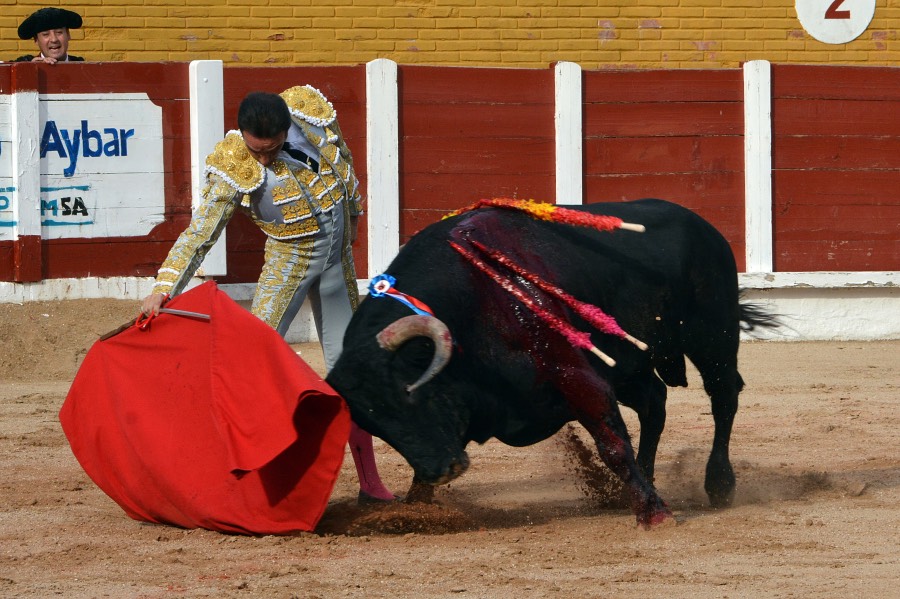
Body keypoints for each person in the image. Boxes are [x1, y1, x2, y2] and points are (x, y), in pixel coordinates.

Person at [141, 87, 397, 504]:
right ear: (242, 133)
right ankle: (233, 477)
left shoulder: (311, 118)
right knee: (248, 367)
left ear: (286, 131)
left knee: (354, 374)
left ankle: (370, 482)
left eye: (272, 149)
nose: (263, 159)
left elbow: (345, 164)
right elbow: (201, 233)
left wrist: (353, 219)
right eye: (256, 150)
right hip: (288, 266)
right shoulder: (231, 165)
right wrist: (164, 286)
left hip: (337, 265)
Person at [14, 7, 84, 64]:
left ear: (68, 34)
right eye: (45, 34)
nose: (54, 39)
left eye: (59, 32)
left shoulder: (82, 67)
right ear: (36, 40)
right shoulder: (26, 65)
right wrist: (30, 70)